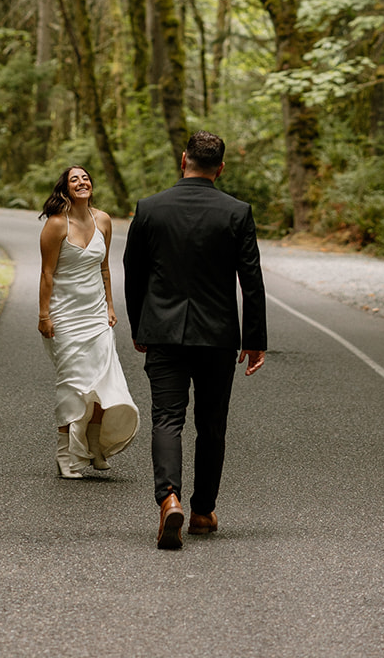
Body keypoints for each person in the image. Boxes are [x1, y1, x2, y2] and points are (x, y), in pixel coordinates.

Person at [123, 129, 267, 549]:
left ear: (182, 159)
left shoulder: (149, 209)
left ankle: (169, 500)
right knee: (211, 424)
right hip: (217, 336)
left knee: (166, 418)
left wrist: (140, 327)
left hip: (163, 332)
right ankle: (203, 510)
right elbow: (251, 281)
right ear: (221, 167)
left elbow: (135, 275)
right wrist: (254, 338)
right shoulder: (237, 212)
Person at [38, 164, 139, 478]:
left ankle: (94, 450)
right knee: (73, 385)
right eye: (74, 179)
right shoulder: (56, 225)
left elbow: (105, 268)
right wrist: (44, 315)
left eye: (85, 178)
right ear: (65, 188)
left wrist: (109, 306)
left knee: (101, 383)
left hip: (96, 316)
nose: (81, 182)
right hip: (65, 316)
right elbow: (47, 274)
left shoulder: (103, 220)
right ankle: (65, 455)